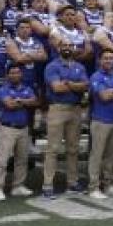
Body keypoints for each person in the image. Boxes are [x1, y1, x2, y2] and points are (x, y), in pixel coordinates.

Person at [42, 38, 90, 199]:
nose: (68, 48)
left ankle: (72, 181)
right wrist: (75, 85)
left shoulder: (79, 66)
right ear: (59, 48)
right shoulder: (52, 66)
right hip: (57, 108)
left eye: (71, 45)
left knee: (73, 149)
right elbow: (57, 87)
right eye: (65, 45)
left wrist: (68, 83)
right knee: (52, 149)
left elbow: (85, 85)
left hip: (75, 109)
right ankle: (47, 184)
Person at [0, 63, 38, 200]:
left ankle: (18, 186)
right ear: (7, 75)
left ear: (21, 74)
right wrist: (24, 101)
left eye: (17, 72)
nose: (15, 75)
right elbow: (9, 105)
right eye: (12, 73)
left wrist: (19, 100)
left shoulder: (26, 88)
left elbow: (35, 102)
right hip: (7, 128)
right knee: (2, 160)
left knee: (22, 160)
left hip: (23, 128)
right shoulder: (2, 89)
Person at [88, 50, 113, 199]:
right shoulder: (95, 77)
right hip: (100, 120)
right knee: (97, 155)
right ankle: (93, 187)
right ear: (100, 60)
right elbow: (104, 96)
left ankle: (108, 184)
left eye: (111, 58)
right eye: (105, 58)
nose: (108, 61)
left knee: (110, 156)